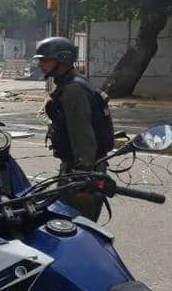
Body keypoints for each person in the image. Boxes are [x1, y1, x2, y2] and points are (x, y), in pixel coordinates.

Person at [35, 36, 114, 221]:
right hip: (77, 167)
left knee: (76, 228)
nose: (41, 65)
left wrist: (82, 178)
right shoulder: (71, 84)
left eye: (45, 60)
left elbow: (83, 136)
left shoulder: (73, 90)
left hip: (82, 170)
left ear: (62, 59)